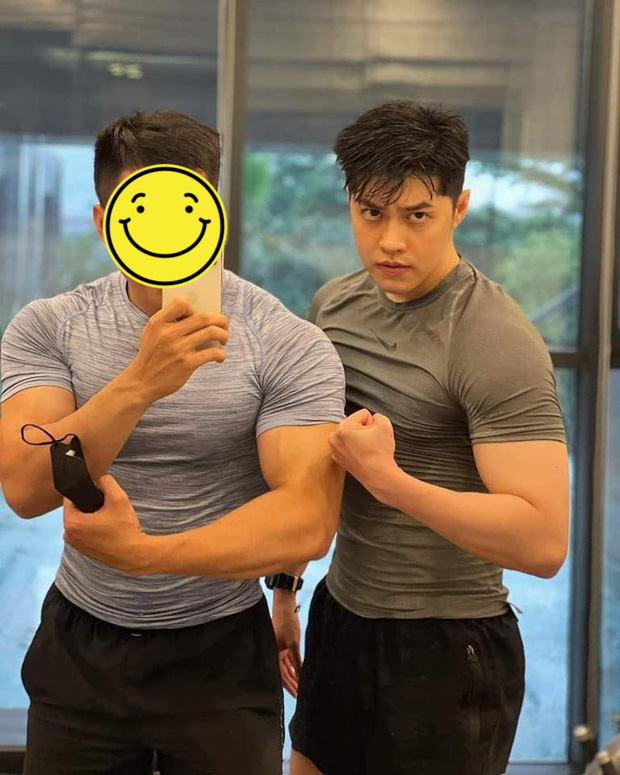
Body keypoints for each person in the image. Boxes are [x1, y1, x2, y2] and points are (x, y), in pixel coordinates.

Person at [0, 110, 345, 775]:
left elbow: (307, 519)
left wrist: (148, 556)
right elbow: (25, 486)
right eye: (143, 211)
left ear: (213, 214)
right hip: (82, 643)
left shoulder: (284, 340)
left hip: (222, 647)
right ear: (104, 221)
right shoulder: (50, 326)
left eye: (182, 210)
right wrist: (140, 383)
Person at [272, 101, 570, 775]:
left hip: (449, 643)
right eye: (371, 213)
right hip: (343, 618)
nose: (390, 241)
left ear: (458, 208)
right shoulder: (334, 306)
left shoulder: (492, 337)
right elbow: (319, 465)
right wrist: (284, 587)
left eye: (416, 216)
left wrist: (391, 482)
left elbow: (544, 541)